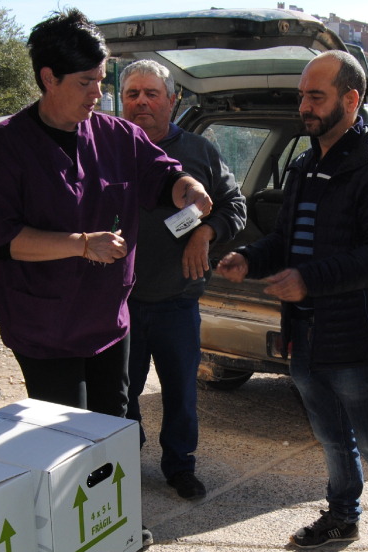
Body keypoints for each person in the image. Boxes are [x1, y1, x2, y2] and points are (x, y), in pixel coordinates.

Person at [217, 51, 368, 552]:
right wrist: (251, 258)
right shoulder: (306, 164)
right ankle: (343, 516)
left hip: (358, 339)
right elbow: (286, 240)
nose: (304, 106)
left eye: (316, 96)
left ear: (351, 100)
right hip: (303, 334)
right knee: (330, 437)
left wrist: (308, 280)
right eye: (302, 95)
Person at [0, 9, 212, 418]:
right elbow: (2, 240)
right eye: (85, 83)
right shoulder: (4, 148)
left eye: (100, 81)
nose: (97, 94)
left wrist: (190, 189)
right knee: (67, 435)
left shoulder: (118, 136)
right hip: (44, 325)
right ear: (49, 78)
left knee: (112, 427)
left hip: (108, 321)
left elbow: (161, 173)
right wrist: (82, 245)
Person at [120, 60, 246, 501]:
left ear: (173, 100)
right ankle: (121, 467)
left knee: (179, 394)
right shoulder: (109, 148)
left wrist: (206, 234)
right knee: (122, 394)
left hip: (177, 302)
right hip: (121, 304)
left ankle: (179, 466)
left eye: (152, 93)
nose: (141, 101)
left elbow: (235, 206)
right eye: (132, 93)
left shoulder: (199, 151)